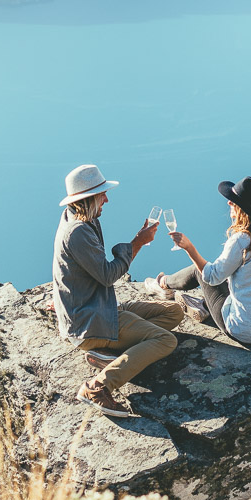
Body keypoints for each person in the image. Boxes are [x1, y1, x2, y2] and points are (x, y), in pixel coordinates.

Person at [52, 163, 185, 418]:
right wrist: (138, 243)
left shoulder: (80, 219)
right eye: (102, 194)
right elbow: (108, 275)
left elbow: (70, 271)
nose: (107, 199)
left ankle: (109, 355)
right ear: (89, 198)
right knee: (165, 340)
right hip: (92, 322)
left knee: (175, 312)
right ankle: (98, 386)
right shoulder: (78, 232)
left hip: (99, 308)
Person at [160, 176, 251, 344]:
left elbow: (211, 277)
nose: (229, 203)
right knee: (236, 278)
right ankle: (203, 307)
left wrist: (189, 247)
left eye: (233, 201)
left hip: (245, 330)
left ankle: (163, 284)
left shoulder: (241, 241)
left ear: (242, 210)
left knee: (200, 271)